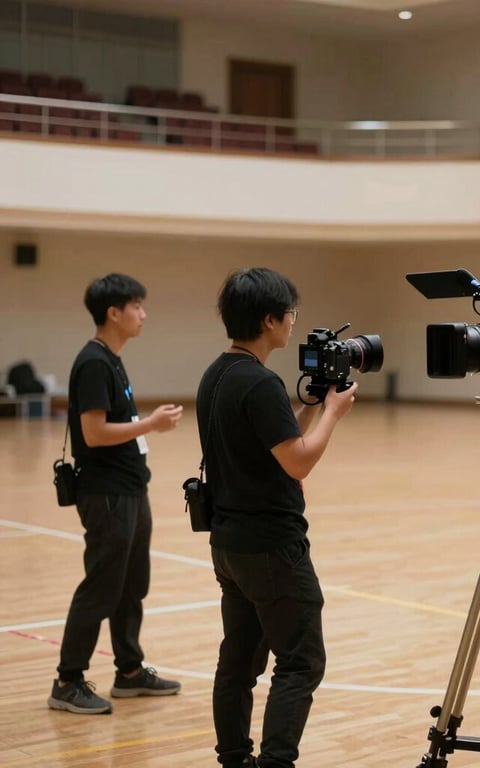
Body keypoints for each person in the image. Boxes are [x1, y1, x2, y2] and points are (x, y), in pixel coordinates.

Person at [196, 267, 357, 768]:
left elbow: (277, 444)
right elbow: (298, 461)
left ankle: (234, 758)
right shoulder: (260, 383)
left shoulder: (217, 373)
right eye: (290, 314)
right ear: (270, 320)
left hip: (230, 543)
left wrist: (308, 409)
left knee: (239, 660)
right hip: (272, 546)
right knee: (301, 661)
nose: (294, 323)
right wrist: (333, 413)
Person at [48, 273, 184, 715]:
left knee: (130, 584)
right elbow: (94, 432)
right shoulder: (93, 362)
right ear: (114, 312)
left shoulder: (111, 358)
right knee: (102, 586)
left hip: (129, 487)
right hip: (106, 493)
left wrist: (144, 425)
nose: (143, 314)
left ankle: (128, 671)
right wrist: (150, 424)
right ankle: (68, 681)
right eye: (137, 306)